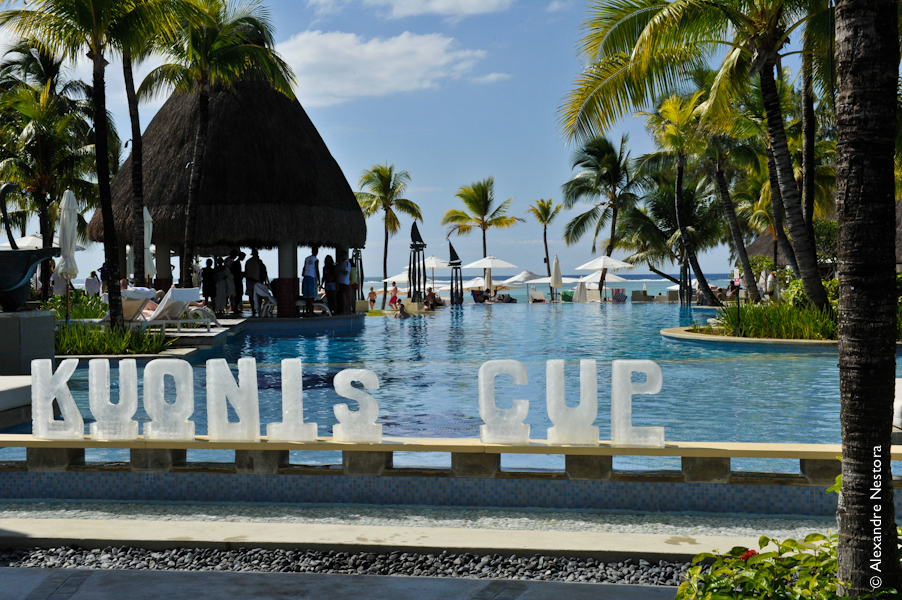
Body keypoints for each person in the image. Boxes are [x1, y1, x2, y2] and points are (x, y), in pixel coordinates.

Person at [244, 249, 263, 316]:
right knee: (259, 295)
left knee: (251, 295)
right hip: (257, 281)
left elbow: (246, 272)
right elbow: (263, 271)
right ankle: (259, 308)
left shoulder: (248, 261)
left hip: (249, 280)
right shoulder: (259, 261)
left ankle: (253, 309)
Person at [302, 246, 320, 316]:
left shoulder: (307, 258)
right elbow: (317, 269)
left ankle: (307, 311)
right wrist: (318, 279)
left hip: (306, 276)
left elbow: (304, 267)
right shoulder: (316, 259)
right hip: (312, 277)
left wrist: (303, 273)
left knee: (307, 296)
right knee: (311, 296)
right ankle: (311, 311)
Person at [230, 250, 244, 315]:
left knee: (239, 294)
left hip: (237, 280)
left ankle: (235, 307)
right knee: (239, 294)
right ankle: (235, 307)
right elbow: (235, 272)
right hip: (237, 281)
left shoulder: (236, 263)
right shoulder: (236, 263)